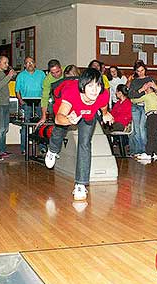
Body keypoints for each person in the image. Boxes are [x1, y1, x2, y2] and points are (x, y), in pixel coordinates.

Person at [53, 68, 113, 200]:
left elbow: (103, 106)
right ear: (82, 86)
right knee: (60, 128)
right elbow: (58, 118)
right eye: (90, 85)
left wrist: (105, 114)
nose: (94, 90)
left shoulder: (103, 94)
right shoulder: (71, 93)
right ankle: (52, 151)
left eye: (98, 85)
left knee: (85, 144)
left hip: (87, 116)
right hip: (70, 112)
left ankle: (80, 184)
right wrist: (68, 119)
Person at [45, 65, 80, 169]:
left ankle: (52, 151)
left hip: (68, 112)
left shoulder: (60, 84)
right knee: (59, 130)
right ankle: (52, 151)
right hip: (68, 111)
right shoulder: (65, 85)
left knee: (58, 131)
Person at [15, 56, 46, 154]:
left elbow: (46, 88)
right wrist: (20, 100)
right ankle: (24, 148)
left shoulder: (41, 74)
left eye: (31, 62)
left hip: (39, 102)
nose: (30, 64)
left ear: (35, 64)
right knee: (25, 126)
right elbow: (17, 90)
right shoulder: (21, 75)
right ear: (24, 65)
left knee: (41, 125)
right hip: (26, 103)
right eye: (27, 63)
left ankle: (42, 147)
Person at [128, 60, 156, 156]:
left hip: (145, 106)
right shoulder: (134, 81)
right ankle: (138, 151)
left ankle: (145, 150)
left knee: (142, 128)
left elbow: (156, 94)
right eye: (138, 71)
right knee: (136, 129)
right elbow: (131, 95)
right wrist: (142, 89)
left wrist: (154, 87)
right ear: (135, 71)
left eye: (142, 70)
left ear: (145, 69)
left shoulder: (150, 79)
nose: (140, 73)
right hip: (135, 107)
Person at [0, 56, 16, 157]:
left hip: (5, 103)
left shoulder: (2, 73)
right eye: (5, 63)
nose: (7, 65)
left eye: (7, 63)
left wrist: (12, 75)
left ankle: (3, 149)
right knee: (0, 128)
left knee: (5, 128)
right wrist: (9, 76)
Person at [134, 86, 157, 161]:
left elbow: (135, 100)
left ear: (150, 89)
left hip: (151, 116)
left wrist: (139, 91)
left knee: (150, 135)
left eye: (147, 89)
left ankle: (148, 153)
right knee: (154, 135)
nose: (145, 90)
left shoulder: (147, 96)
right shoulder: (156, 96)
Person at [38, 59, 64, 126]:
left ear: (61, 68)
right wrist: (44, 116)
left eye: (57, 72)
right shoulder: (47, 80)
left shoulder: (67, 71)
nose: (55, 75)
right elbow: (44, 98)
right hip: (58, 100)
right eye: (52, 73)